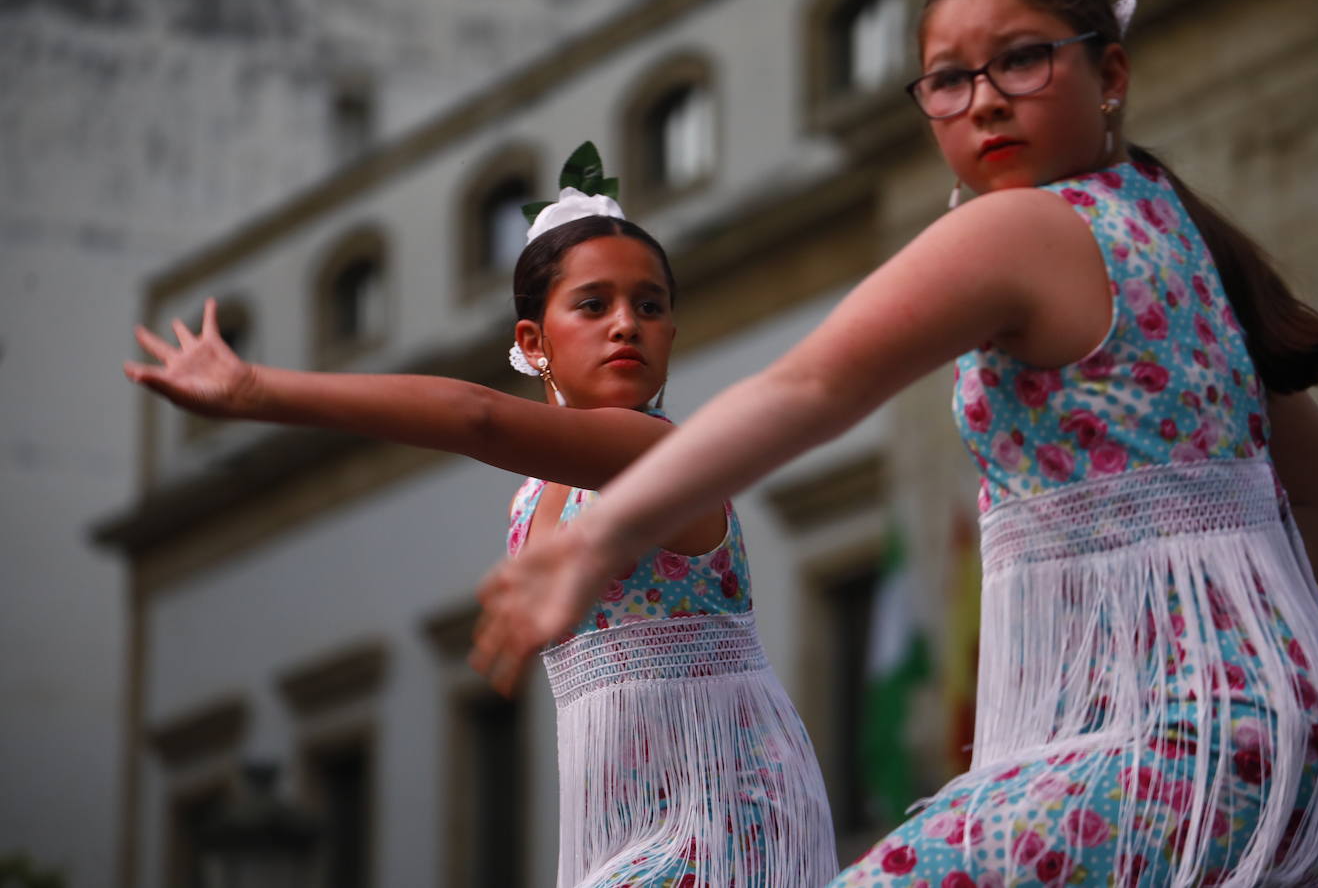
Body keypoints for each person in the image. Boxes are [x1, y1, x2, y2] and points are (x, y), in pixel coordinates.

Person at [469, 0, 1318, 886]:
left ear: (1111, 73)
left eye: (1021, 60)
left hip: (1182, 759)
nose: (983, 99)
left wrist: (605, 539)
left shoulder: (1019, 226)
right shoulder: (1177, 232)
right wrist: (1242, 654)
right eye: (948, 78)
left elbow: (811, 384)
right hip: (1290, 740)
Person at [123, 149, 838, 887]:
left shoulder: (654, 448)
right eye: (594, 305)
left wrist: (257, 391)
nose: (627, 324)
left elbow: (477, 417)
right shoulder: (534, 497)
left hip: (728, 818)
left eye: (650, 305)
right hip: (628, 833)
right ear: (534, 342)